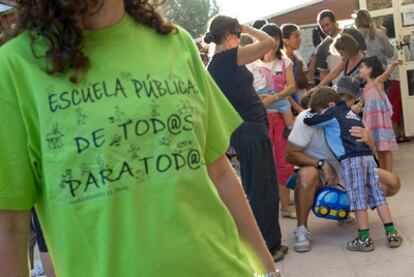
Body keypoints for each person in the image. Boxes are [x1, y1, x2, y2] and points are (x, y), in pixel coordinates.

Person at [0, 2, 279, 276]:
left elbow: (219, 172)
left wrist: (268, 270)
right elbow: (10, 227)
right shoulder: (14, 66)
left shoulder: (175, 42)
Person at [286, 76, 401, 253]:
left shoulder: (343, 113)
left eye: (347, 98)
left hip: (349, 167)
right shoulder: (310, 116)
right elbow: (290, 155)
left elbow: (368, 148)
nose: (346, 101)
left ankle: (358, 230)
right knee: (308, 174)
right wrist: (321, 163)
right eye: (342, 96)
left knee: (389, 184)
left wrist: (370, 140)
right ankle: (302, 229)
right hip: (323, 173)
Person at [205, 15, 288, 262]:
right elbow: (270, 42)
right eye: (238, 35)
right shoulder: (228, 58)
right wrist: (247, 26)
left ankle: (267, 243)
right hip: (249, 131)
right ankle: (268, 246)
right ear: (231, 35)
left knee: (259, 185)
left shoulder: (217, 62)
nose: (240, 40)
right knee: (262, 187)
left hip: (248, 130)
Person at [255, 23, 296, 219]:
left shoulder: (285, 62)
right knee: (264, 164)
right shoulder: (253, 62)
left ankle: (286, 207)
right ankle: (270, 205)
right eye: (269, 39)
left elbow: (291, 87)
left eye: (276, 39)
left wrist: (274, 98)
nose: (273, 43)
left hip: (279, 117)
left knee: (283, 161)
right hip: (261, 119)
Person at [359, 57, 401, 172]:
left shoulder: (377, 81)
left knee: (385, 147)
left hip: (380, 120)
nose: (360, 69)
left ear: (370, 69)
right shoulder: (365, 87)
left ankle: (389, 173)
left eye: (362, 67)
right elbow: (364, 102)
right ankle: (383, 172)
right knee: (378, 148)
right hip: (371, 121)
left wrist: (393, 65)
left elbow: (386, 74)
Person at [316, 9, 367, 85]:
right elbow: (324, 73)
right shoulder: (322, 47)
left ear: (334, 22)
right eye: (322, 27)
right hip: (339, 89)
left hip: (361, 83)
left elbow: (365, 57)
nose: (325, 29)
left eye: (327, 25)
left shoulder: (353, 33)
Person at [381, 16, 411, 143]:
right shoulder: (400, 42)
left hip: (394, 79)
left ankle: (397, 134)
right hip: (403, 78)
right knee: (399, 106)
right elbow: (409, 57)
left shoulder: (390, 44)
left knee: (394, 108)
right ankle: (401, 133)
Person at [281, 23, 309, 106]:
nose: (300, 39)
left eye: (299, 36)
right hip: (291, 105)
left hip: (302, 101)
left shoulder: (297, 55)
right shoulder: (282, 60)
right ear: (285, 40)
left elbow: (304, 82)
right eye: (296, 36)